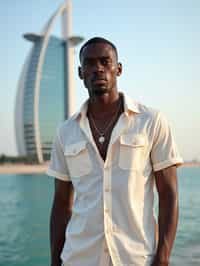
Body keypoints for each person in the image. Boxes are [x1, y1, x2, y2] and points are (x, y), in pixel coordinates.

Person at [47, 37, 183, 266]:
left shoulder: (151, 121)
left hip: (136, 258)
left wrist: (163, 258)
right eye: (89, 63)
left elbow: (169, 194)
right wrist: (54, 261)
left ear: (118, 69)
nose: (98, 68)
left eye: (105, 61)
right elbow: (61, 204)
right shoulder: (66, 132)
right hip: (79, 258)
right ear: (81, 73)